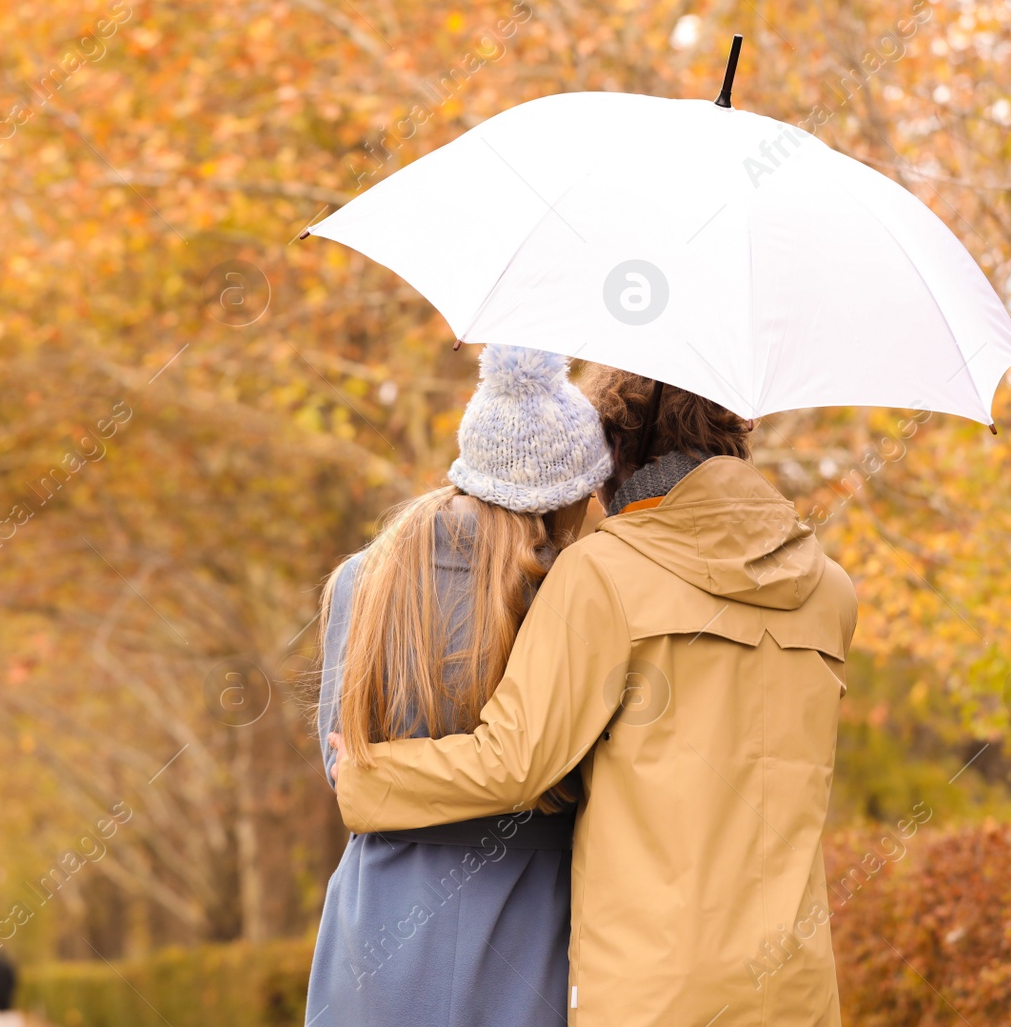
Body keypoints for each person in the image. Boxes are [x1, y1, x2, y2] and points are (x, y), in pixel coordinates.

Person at [332, 368, 858, 1027]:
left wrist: (367, 777)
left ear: (610, 456)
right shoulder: (831, 591)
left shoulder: (603, 572)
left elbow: (515, 760)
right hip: (797, 988)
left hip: (652, 991)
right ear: (737, 433)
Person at [306, 345, 613, 1027]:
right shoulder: (569, 596)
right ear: (565, 498)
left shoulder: (366, 580)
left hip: (379, 917)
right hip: (529, 914)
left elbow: (339, 763)